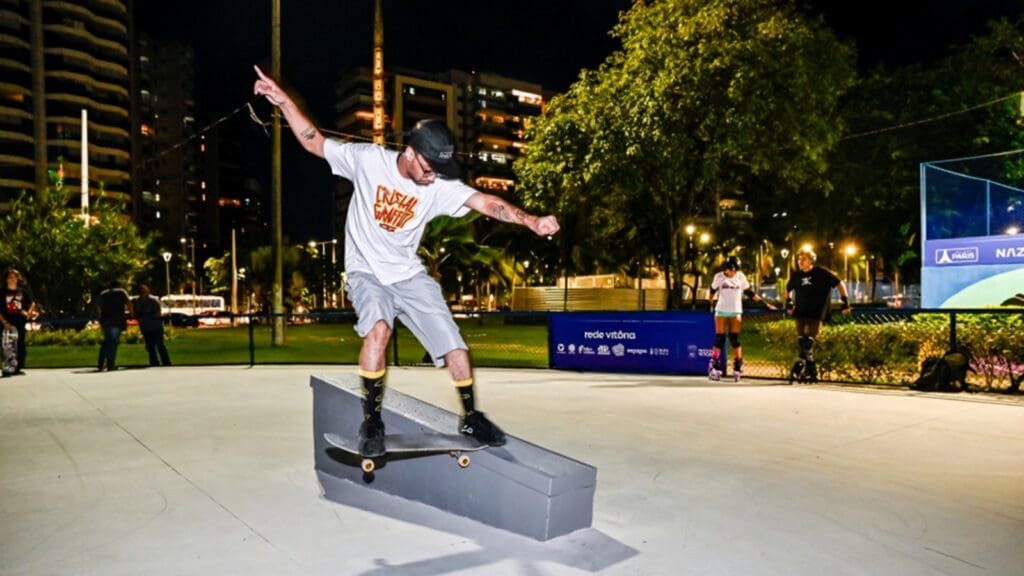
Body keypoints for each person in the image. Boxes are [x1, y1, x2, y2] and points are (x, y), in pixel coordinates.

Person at [253, 66, 560, 457]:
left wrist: (529, 220)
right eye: (429, 169)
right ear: (411, 153)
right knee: (378, 330)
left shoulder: (440, 186)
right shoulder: (368, 160)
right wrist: (283, 101)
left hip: (409, 274)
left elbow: (486, 202)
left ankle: (470, 415)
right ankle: (372, 420)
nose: (433, 179)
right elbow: (315, 142)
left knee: (456, 346)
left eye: (439, 172)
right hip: (367, 273)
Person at [784, 249, 851, 373]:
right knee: (801, 339)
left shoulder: (821, 273)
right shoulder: (797, 276)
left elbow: (839, 283)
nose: (800, 261)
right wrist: (788, 302)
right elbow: (788, 288)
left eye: (803, 259)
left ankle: (800, 361)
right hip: (801, 311)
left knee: (809, 338)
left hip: (816, 311)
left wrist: (845, 301)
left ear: (811, 260)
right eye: (799, 259)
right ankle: (810, 366)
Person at [707, 257, 774, 381]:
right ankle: (713, 365)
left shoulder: (740, 276)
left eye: (734, 270)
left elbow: (749, 292)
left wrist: (764, 304)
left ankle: (738, 364)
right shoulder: (719, 277)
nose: (732, 273)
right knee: (720, 338)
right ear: (725, 268)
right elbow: (712, 290)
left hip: (736, 311)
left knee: (734, 339)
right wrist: (710, 304)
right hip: (721, 310)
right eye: (729, 270)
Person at [1, 269, 37, 375]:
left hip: (20, 322)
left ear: (17, 279)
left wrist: (29, 312)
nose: (12, 279)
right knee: (8, 346)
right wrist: (4, 322)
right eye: (10, 277)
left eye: (15, 277)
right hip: (7, 322)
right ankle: (8, 368)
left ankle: (17, 367)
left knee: (20, 345)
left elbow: (32, 303)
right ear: (6, 279)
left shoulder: (22, 292)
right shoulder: (2, 292)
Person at [133, 284, 171, 367]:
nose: (144, 294)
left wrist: (146, 315)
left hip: (156, 326)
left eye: (145, 292)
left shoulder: (153, 301)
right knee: (150, 346)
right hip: (145, 327)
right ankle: (154, 362)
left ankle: (166, 362)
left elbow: (158, 313)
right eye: (142, 292)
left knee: (160, 345)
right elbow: (134, 313)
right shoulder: (136, 301)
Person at [98, 280, 132, 371]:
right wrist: (132, 313)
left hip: (105, 321)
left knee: (107, 341)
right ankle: (110, 363)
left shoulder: (103, 293)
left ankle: (101, 362)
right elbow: (129, 303)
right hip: (116, 321)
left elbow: (99, 307)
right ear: (119, 285)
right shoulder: (121, 292)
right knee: (113, 342)